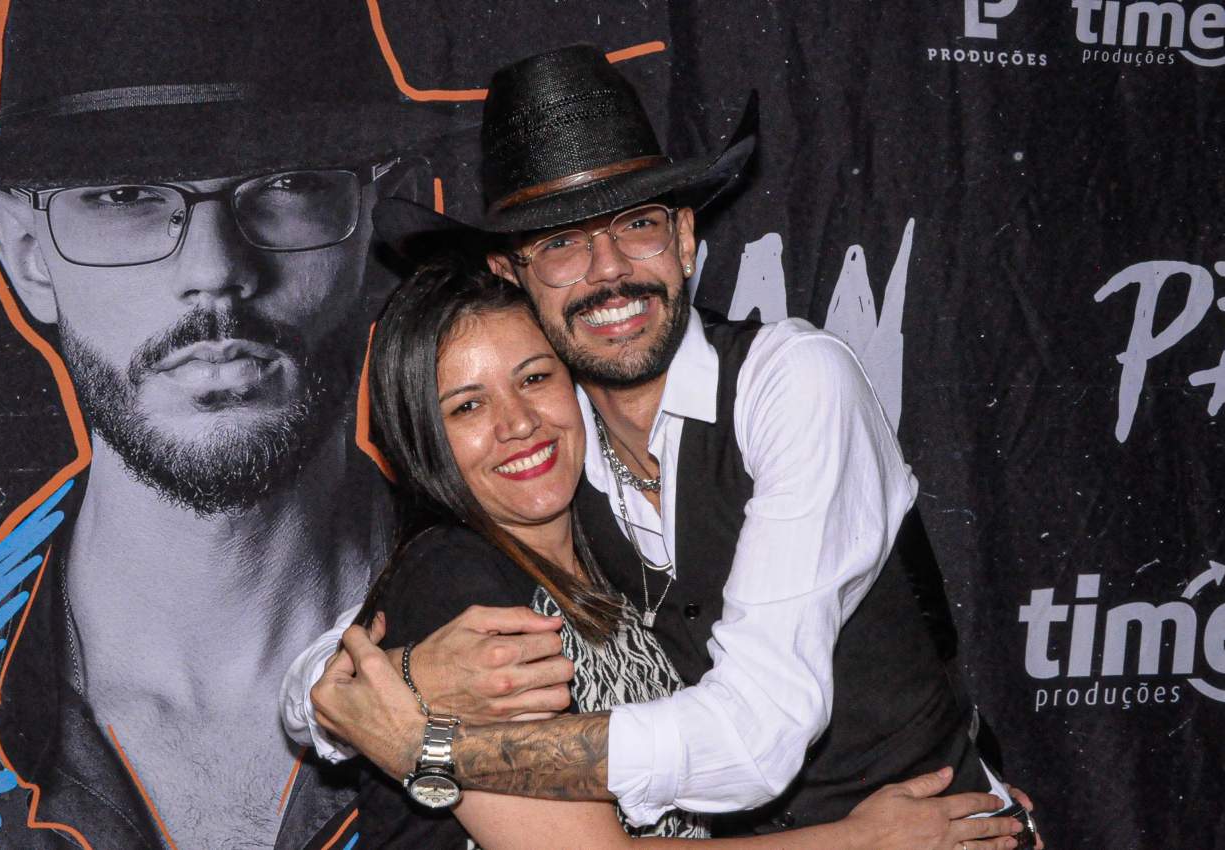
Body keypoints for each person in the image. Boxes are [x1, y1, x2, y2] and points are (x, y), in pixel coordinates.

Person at [286, 44, 1040, 846]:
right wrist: (402, 677)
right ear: (513, 277)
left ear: (683, 239)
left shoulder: (791, 383)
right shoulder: (553, 449)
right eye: (562, 244)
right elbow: (320, 682)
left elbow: (755, 736)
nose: (609, 271)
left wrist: (437, 749)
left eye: (637, 226)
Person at [0, 4, 462, 848]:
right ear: (25, 254)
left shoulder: (550, 631)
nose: (216, 270)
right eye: (126, 195)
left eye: (287, 185)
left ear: (378, 225)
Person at [326, 253, 1024, 850]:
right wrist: (862, 841)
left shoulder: (607, 534)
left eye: (535, 378)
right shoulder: (458, 584)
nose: (518, 423)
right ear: (422, 438)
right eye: (467, 407)